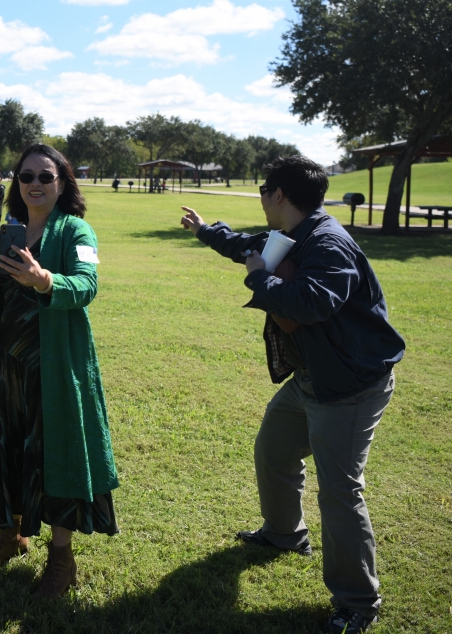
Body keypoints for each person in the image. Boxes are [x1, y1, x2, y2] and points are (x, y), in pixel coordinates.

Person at [180, 155, 405, 634]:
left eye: (264, 190)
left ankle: (358, 603)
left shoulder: (328, 244)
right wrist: (204, 230)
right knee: (275, 450)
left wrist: (259, 277)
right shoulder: (292, 234)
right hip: (311, 378)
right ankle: (285, 534)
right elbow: (247, 245)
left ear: (278, 195)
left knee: (340, 491)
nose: (262, 197)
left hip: (349, 386)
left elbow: (312, 303)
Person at [0, 144, 119, 600]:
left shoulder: (76, 229)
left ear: (62, 183)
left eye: (45, 176)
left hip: (54, 369)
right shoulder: (12, 230)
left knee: (53, 455)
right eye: (26, 176)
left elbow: (87, 284)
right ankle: (11, 534)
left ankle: (62, 560)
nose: (34, 184)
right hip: (6, 366)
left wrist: (45, 280)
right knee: (8, 448)